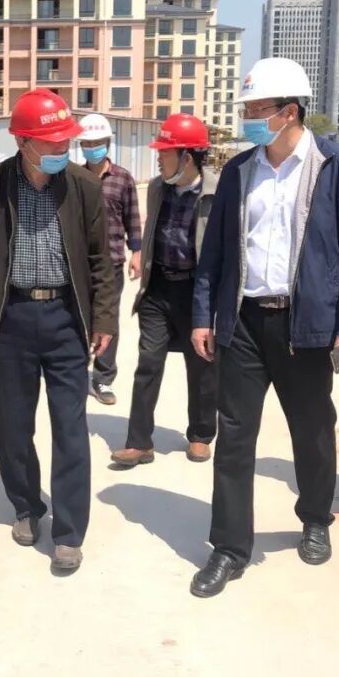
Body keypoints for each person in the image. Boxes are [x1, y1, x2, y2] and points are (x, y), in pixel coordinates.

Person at [189, 58, 339, 597]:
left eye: (257, 109)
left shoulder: (335, 166)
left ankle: (315, 517)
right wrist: (203, 315)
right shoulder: (238, 171)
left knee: (312, 430)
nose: (249, 118)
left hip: (306, 326)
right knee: (234, 438)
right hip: (245, 322)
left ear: (290, 111)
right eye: (247, 109)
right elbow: (214, 253)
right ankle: (229, 548)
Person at [0, 88, 117, 573]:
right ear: (23, 142)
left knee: (70, 427)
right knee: (14, 424)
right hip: (12, 319)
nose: (64, 148)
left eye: (66, 140)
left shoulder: (83, 186)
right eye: (53, 141)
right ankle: (26, 505)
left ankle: (69, 531)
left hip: (65, 320)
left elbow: (101, 260)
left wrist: (104, 318)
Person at [111, 113, 219, 468]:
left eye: (164, 152)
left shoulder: (217, 192)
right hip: (157, 290)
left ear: (186, 157)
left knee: (201, 366)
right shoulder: (159, 187)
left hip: (196, 293)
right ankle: (139, 442)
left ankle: (201, 434)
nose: (158, 158)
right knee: (148, 363)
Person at [76, 113, 141, 405]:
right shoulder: (73, 177)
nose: (92, 148)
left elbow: (132, 218)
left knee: (107, 320)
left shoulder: (123, 178)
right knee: (78, 317)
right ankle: (77, 372)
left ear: (108, 143)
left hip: (112, 262)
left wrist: (136, 252)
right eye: (87, 143)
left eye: (97, 142)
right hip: (80, 263)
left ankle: (103, 378)